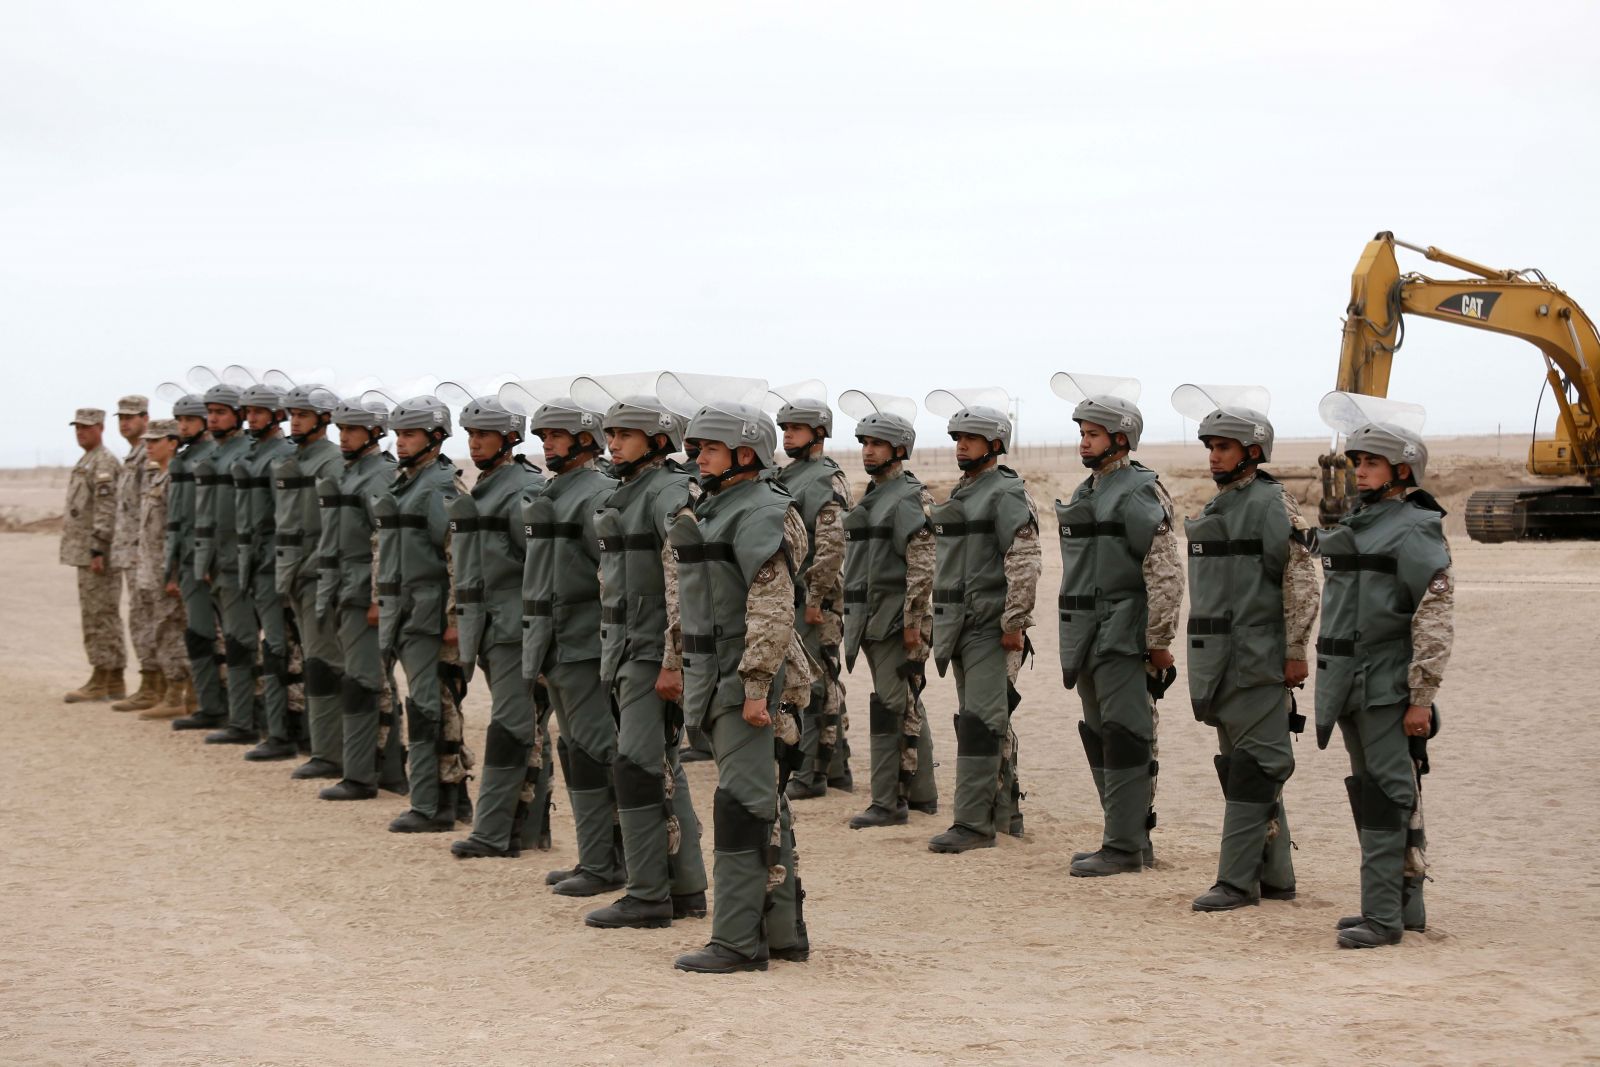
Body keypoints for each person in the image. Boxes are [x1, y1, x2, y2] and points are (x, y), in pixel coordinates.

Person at [670, 399, 812, 973]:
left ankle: (736, 941)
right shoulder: (713, 508)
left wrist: (756, 687)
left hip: (747, 684)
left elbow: (773, 608)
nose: (696, 457)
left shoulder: (760, 512)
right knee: (761, 805)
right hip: (716, 679)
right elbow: (686, 601)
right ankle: (781, 933)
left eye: (707, 447)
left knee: (743, 807)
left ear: (743, 454)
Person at [1313, 392, 1453, 950]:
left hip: (1386, 686)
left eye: (1370, 462)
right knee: (1375, 791)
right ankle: (1401, 907)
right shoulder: (1363, 522)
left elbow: (1435, 615)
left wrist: (1421, 695)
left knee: (1389, 794)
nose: (1360, 470)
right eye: (1357, 462)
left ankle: (1383, 917)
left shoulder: (1415, 528)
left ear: (1401, 470)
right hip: (1348, 683)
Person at [1172, 385, 1317, 911]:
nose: (1214, 455)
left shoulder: (1272, 503)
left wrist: (1296, 650)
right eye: (1210, 445)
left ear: (1252, 452)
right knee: (1243, 769)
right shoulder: (1223, 503)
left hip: (1257, 660)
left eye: (1224, 446)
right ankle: (1275, 877)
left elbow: (1302, 580)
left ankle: (1235, 882)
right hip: (1220, 662)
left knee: (1256, 768)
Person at [581, 385, 709, 928]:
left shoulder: (668, 493)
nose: (612, 443)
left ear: (657, 440)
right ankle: (685, 888)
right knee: (660, 767)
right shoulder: (626, 491)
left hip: (652, 653)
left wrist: (673, 660)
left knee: (636, 767)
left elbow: (685, 581)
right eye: (609, 434)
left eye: (625, 434)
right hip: (625, 649)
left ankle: (648, 894)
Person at [1052, 375, 1183, 877]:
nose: (1084, 441)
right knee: (1100, 736)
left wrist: (1158, 642)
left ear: (1121, 438)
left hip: (1123, 637)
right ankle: (1124, 836)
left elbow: (1165, 572)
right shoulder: (1090, 489)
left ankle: (1125, 846)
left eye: (1094, 433)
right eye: (1082, 432)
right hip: (1086, 636)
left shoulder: (1137, 491)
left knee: (1127, 736)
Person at [923, 391, 1040, 854]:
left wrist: (1014, 622)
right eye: (958, 438)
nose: (961, 446)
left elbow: (1025, 560)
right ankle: (1005, 815)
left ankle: (973, 824)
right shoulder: (964, 492)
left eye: (971, 438)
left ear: (995, 443)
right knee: (987, 721)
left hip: (989, 627)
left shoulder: (1006, 492)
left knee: (982, 722)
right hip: (959, 624)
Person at [516, 392, 622, 894]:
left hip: (584, 645)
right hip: (554, 645)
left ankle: (608, 863)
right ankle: (593, 857)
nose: (547, 445)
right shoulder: (555, 491)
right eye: (542, 437)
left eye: (555, 436)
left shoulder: (596, 493)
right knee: (573, 749)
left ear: (584, 440)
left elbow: (613, 575)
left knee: (597, 751)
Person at [444, 395, 550, 846]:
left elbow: (539, 566)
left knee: (510, 724)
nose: (475, 443)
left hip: (513, 628)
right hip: (487, 626)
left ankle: (492, 831)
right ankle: (528, 828)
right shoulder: (486, 485)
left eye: (484, 434)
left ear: (509, 438)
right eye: (470, 435)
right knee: (523, 723)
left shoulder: (520, 488)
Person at [836, 391, 939, 828]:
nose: (868, 451)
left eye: (876, 443)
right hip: (871, 620)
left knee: (892, 707)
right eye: (864, 443)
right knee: (906, 702)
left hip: (895, 622)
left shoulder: (907, 498)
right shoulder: (875, 496)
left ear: (899, 449)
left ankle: (888, 802)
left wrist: (912, 622)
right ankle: (922, 795)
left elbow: (922, 564)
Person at [376, 396, 474, 832]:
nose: (400, 442)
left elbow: (458, 556)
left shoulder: (439, 487)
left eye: (410, 434)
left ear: (435, 438)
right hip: (406, 613)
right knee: (434, 706)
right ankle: (453, 798)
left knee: (432, 708)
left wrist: (455, 619)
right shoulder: (407, 483)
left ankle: (433, 804)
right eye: (398, 434)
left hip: (431, 618)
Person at [316, 396, 407, 799]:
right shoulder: (352, 473)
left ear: (374, 432)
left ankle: (360, 776)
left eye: (352, 429)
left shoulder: (376, 476)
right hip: (346, 589)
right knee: (372, 681)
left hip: (363, 594)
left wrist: (376, 598)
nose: (344, 436)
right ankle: (386, 771)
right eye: (341, 429)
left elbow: (382, 542)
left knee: (364, 682)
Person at [773, 390, 854, 800]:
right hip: (794, 595)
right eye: (784, 428)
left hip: (813, 599)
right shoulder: (789, 476)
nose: (787, 436)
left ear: (819, 432)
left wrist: (817, 598)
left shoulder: (826, 479)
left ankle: (812, 774)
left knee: (814, 682)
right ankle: (835, 769)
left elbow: (832, 545)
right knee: (818, 679)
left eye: (796, 428)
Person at [275, 384, 346, 778]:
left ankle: (331, 755)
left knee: (325, 664)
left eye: (302, 414)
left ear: (322, 419)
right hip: (298, 574)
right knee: (313, 661)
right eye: (291, 415)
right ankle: (324, 749)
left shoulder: (330, 463)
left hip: (319, 576)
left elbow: (335, 530)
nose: (294, 421)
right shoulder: (298, 461)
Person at [193, 384, 262, 746]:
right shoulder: (218, 455)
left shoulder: (247, 453)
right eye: (210, 412)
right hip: (221, 564)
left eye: (221, 411)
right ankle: (240, 715)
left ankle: (245, 721)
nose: (213, 418)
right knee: (233, 640)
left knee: (242, 642)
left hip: (243, 564)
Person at [233, 384, 298, 761]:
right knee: (265, 648)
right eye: (248, 411)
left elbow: (285, 518)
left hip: (276, 565)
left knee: (278, 650)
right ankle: (269, 726)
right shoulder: (257, 454)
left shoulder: (283, 456)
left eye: (258, 411)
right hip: (257, 564)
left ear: (276, 415)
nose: (251, 417)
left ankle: (282, 734)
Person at [165, 393, 229, 730]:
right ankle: (209, 704)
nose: (183, 426)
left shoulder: (213, 457)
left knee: (225, 636)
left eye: (189, 420)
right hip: (190, 558)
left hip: (212, 560)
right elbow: (177, 517)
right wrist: (172, 563)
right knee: (199, 634)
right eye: (180, 420)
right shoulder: (186, 457)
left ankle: (229, 708)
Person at [61, 406, 128, 703]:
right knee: (93, 614)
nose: (80, 432)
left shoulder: (104, 463)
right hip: (85, 553)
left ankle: (109, 675)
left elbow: (106, 509)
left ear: (101, 427)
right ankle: (104, 675)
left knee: (102, 615)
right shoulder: (86, 461)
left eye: (86, 427)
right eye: (77, 427)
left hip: (97, 554)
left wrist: (99, 547)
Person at [133, 420, 195, 721]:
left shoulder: (175, 478)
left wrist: (173, 574)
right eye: (146, 442)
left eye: (155, 441)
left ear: (173, 442)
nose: (149, 446)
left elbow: (179, 529)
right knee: (161, 629)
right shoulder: (157, 477)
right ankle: (174, 691)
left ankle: (179, 692)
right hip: (151, 567)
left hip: (166, 569)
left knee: (172, 629)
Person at [108, 395, 162, 712]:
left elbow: (149, 511)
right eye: (122, 418)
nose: (125, 423)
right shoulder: (132, 456)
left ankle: (158, 685)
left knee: (149, 620)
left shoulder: (148, 457)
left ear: (145, 417)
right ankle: (150, 683)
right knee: (140, 620)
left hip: (144, 555)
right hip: (130, 554)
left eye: (131, 417)